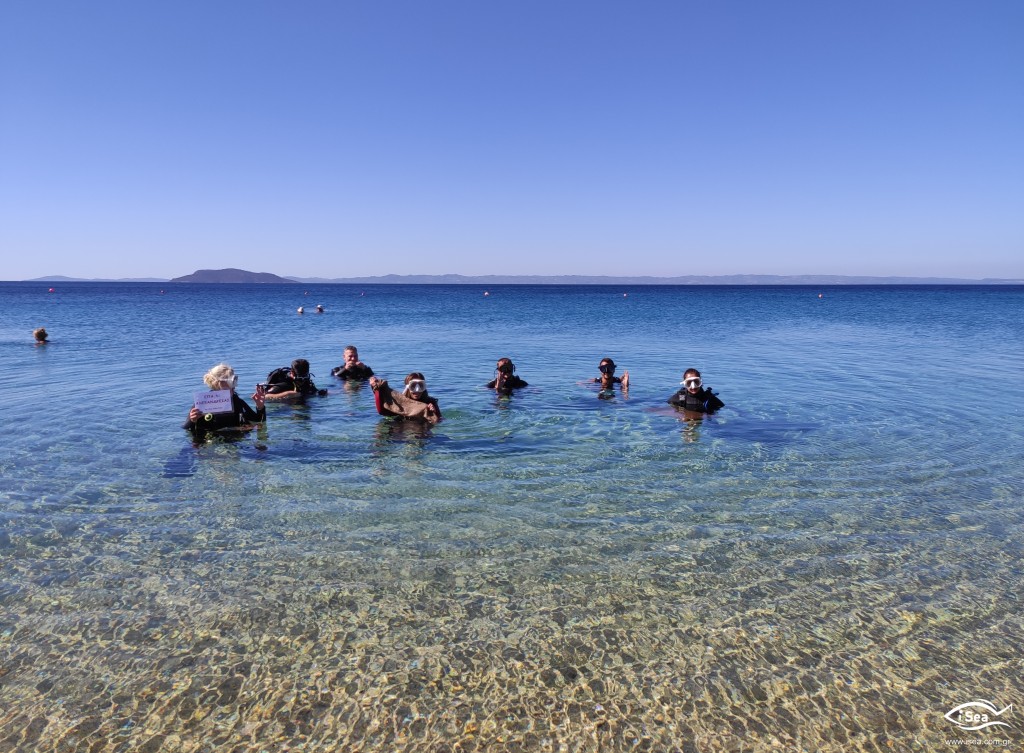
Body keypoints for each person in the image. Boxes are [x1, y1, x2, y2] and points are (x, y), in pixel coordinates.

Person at [184, 363, 266, 438]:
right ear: (216, 384)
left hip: (234, 442)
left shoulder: (236, 401)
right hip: (210, 441)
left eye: (233, 386)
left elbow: (259, 421)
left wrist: (260, 407)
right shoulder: (204, 403)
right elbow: (186, 428)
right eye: (229, 385)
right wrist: (193, 420)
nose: (233, 388)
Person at [369, 372, 442, 423]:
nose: (417, 390)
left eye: (420, 386)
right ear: (407, 387)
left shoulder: (430, 403)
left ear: (424, 387)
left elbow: (439, 421)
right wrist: (376, 389)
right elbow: (382, 411)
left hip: (421, 430)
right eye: (413, 386)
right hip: (401, 429)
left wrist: (433, 412)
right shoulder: (400, 402)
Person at [263, 358, 327, 400]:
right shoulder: (283, 385)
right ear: (292, 373)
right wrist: (287, 394)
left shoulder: (307, 383)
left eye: (304, 377)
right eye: (300, 378)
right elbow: (264, 396)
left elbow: (315, 392)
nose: (302, 380)